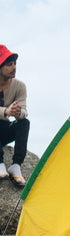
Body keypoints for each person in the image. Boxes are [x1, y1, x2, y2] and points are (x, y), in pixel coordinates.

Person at [0, 44, 29, 186]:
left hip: (4, 131)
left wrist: (18, 113)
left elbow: (24, 110)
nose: (14, 67)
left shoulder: (20, 86)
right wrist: (5, 111)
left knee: (25, 122)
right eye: (9, 64)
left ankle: (15, 165)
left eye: (15, 63)